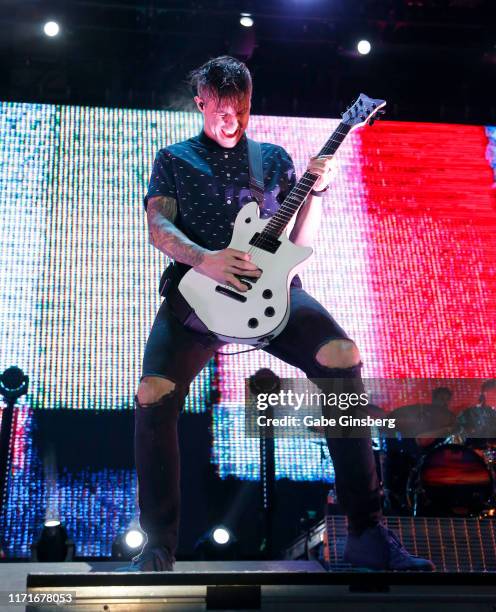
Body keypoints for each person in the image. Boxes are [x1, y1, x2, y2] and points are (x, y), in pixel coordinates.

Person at [120, 56, 434, 572]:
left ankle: (366, 533)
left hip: (273, 293)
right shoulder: (174, 159)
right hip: (198, 294)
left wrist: (318, 191)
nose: (232, 121)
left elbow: (299, 244)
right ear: (201, 102)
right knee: (154, 392)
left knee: (341, 355)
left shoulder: (273, 158)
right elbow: (159, 228)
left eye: (241, 109)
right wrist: (207, 259)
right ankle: (157, 545)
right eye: (222, 110)